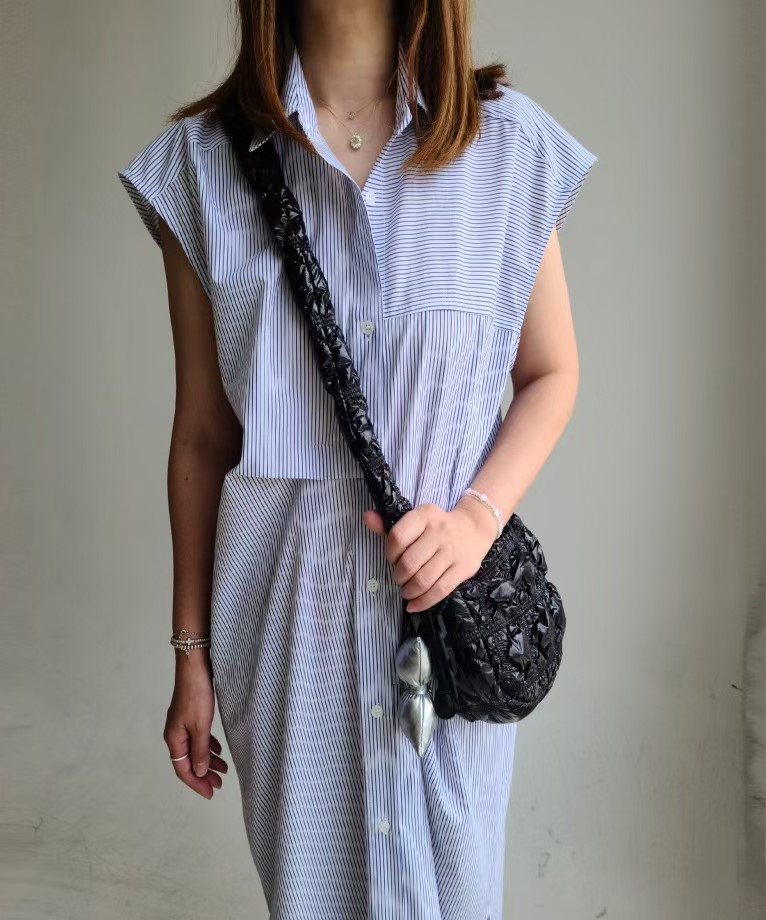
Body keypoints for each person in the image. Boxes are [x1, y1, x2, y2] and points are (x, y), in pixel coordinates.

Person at [117, 1, 598, 917]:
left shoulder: (508, 148)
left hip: (446, 626)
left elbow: (553, 372)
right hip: (286, 630)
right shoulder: (200, 165)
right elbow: (204, 434)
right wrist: (190, 652)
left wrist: (476, 522)